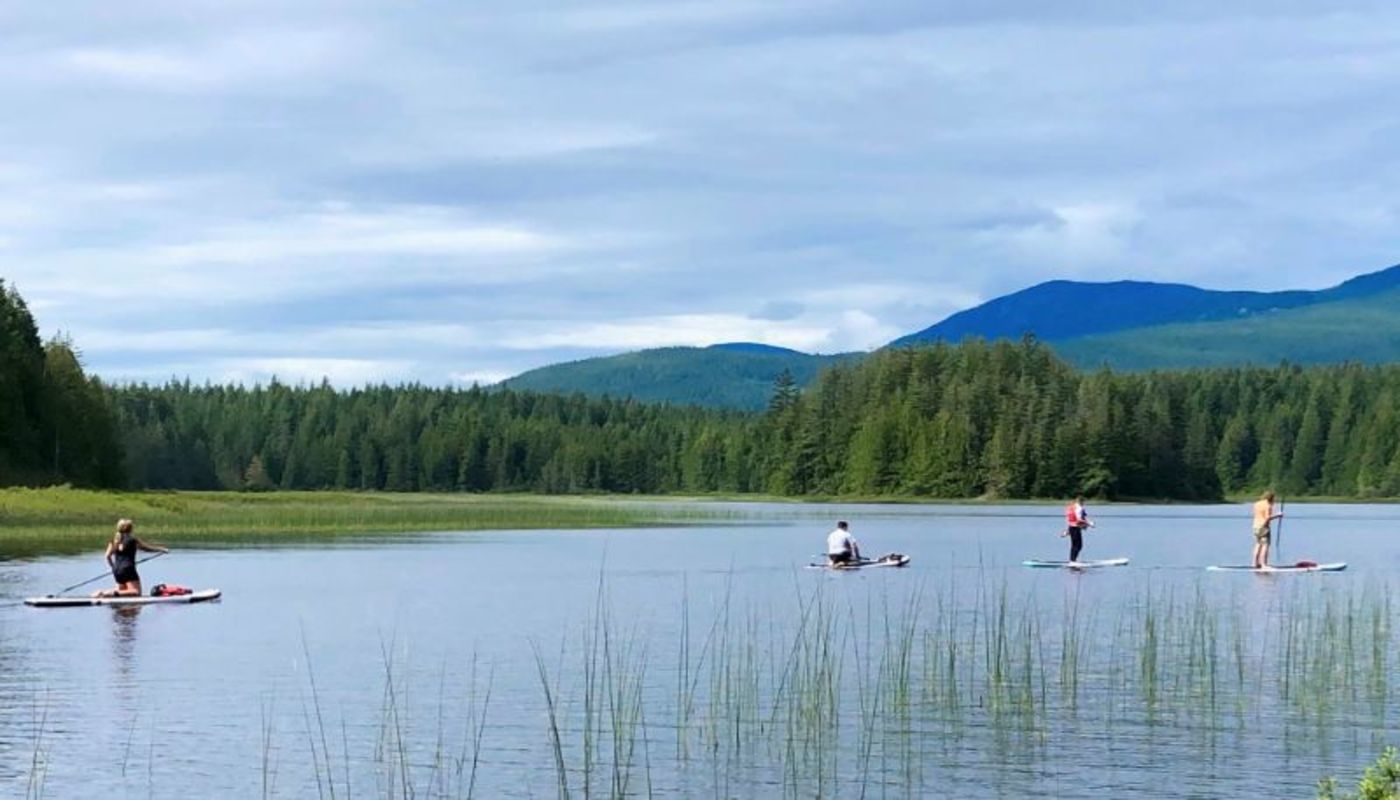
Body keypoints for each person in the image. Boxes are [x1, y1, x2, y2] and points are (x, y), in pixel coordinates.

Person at [93, 519, 168, 598]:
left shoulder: (114, 540)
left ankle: (107, 595)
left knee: (122, 593)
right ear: (130, 528)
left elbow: (107, 556)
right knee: (136, 592)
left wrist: (113, 567)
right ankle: (106, 593)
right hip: (128, 568)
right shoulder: (132, 540)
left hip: (116, 569)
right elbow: (146, 548)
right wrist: (161, 549)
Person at [1251, 490, 1284, 569]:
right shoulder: (1268, 506)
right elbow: (1267, 518)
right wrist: (1278, 515)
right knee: (1265, 545)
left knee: (1258, 544)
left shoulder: (1256, 504)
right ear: (1271, 498)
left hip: (1255, 526)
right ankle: (1264, 564)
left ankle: (1254, 563)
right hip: (1264, 526)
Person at [1060, 495, 1094, 563]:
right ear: (1081, 501)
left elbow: (1071, 519)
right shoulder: (1079, 508)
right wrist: (1089, 524)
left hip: (1071, 527)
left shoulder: (1071, 507)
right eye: (1083, 502)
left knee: (1074, 545)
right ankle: (1073, 561)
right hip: (1076, 528)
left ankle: (1072, 560)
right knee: (1078, 546)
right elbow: (1079, 519)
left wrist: (1068, 530)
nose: (1084, 503)